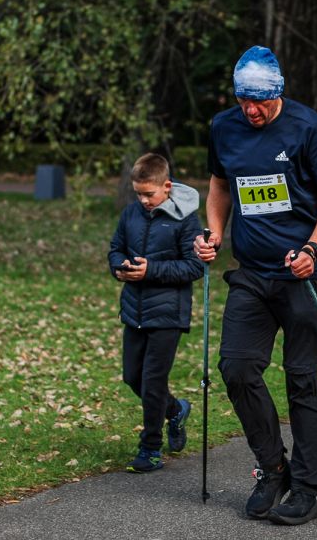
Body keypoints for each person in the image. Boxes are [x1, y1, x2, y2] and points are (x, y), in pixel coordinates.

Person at [194, 46, 317, 525]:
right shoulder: (224, 126)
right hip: (252, 272)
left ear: (278, 94)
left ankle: (306, 488)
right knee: (236, 368)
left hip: (305, 273)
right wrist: (215, 233)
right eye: (244, 101)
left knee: (303, 377)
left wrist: (312, 249)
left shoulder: (308, 128)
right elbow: (220, 185)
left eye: (260, 102)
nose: (252, 110)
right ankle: (273, 467)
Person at [109, 153, 203, 472]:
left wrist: (150, 271)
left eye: (149, 194)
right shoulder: (131, 214)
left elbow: (194, 266)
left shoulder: (186, 219)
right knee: (132, 377)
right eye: (139, 193)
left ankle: (150, 449)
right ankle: (175, 410)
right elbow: (116, 248)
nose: (143, 200)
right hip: (134, 310)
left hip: (168, 314)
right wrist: (118, 267)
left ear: (167, 186)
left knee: (152, 381)